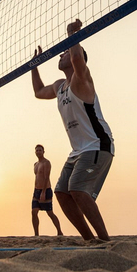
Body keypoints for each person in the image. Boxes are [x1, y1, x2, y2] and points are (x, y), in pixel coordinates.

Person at [31, 19, 114, 241]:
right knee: (61, 193)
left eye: (65, 52)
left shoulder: (82, 79)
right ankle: (89, 240)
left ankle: (105, 240)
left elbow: (78, 58)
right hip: (78, 151)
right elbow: (39, 91)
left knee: (77, 189)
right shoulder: (60, 86)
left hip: (98, 145)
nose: (61, 55)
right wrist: (33, 66)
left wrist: (72, 33)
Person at [32, 144, 63, 236]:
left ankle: (59, 232)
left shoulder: (46, 163)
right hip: (36, 190)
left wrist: (44, 192)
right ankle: (36, 234)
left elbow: (46, 177)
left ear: (43, 152)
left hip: (45, 190)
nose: (38, 152)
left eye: (40, 150)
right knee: (34, 212)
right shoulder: (35, 164)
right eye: (37, 150)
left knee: (50, 213)